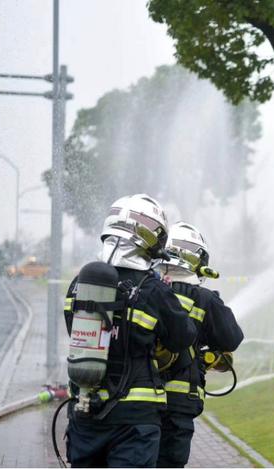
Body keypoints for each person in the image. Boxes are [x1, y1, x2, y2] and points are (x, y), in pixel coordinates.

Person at [63, 194, 197, 467]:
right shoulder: (152, 289)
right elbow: (184, 336)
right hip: (134, 422)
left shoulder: (81, 284)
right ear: (150, 239)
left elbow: (73, 326)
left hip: (85, 413)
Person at [156, 221, 243, 468]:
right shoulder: (205, 299)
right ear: (197, 261)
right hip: (180, 402)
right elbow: (232, 338)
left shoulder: (146, 290)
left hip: (139, 401)